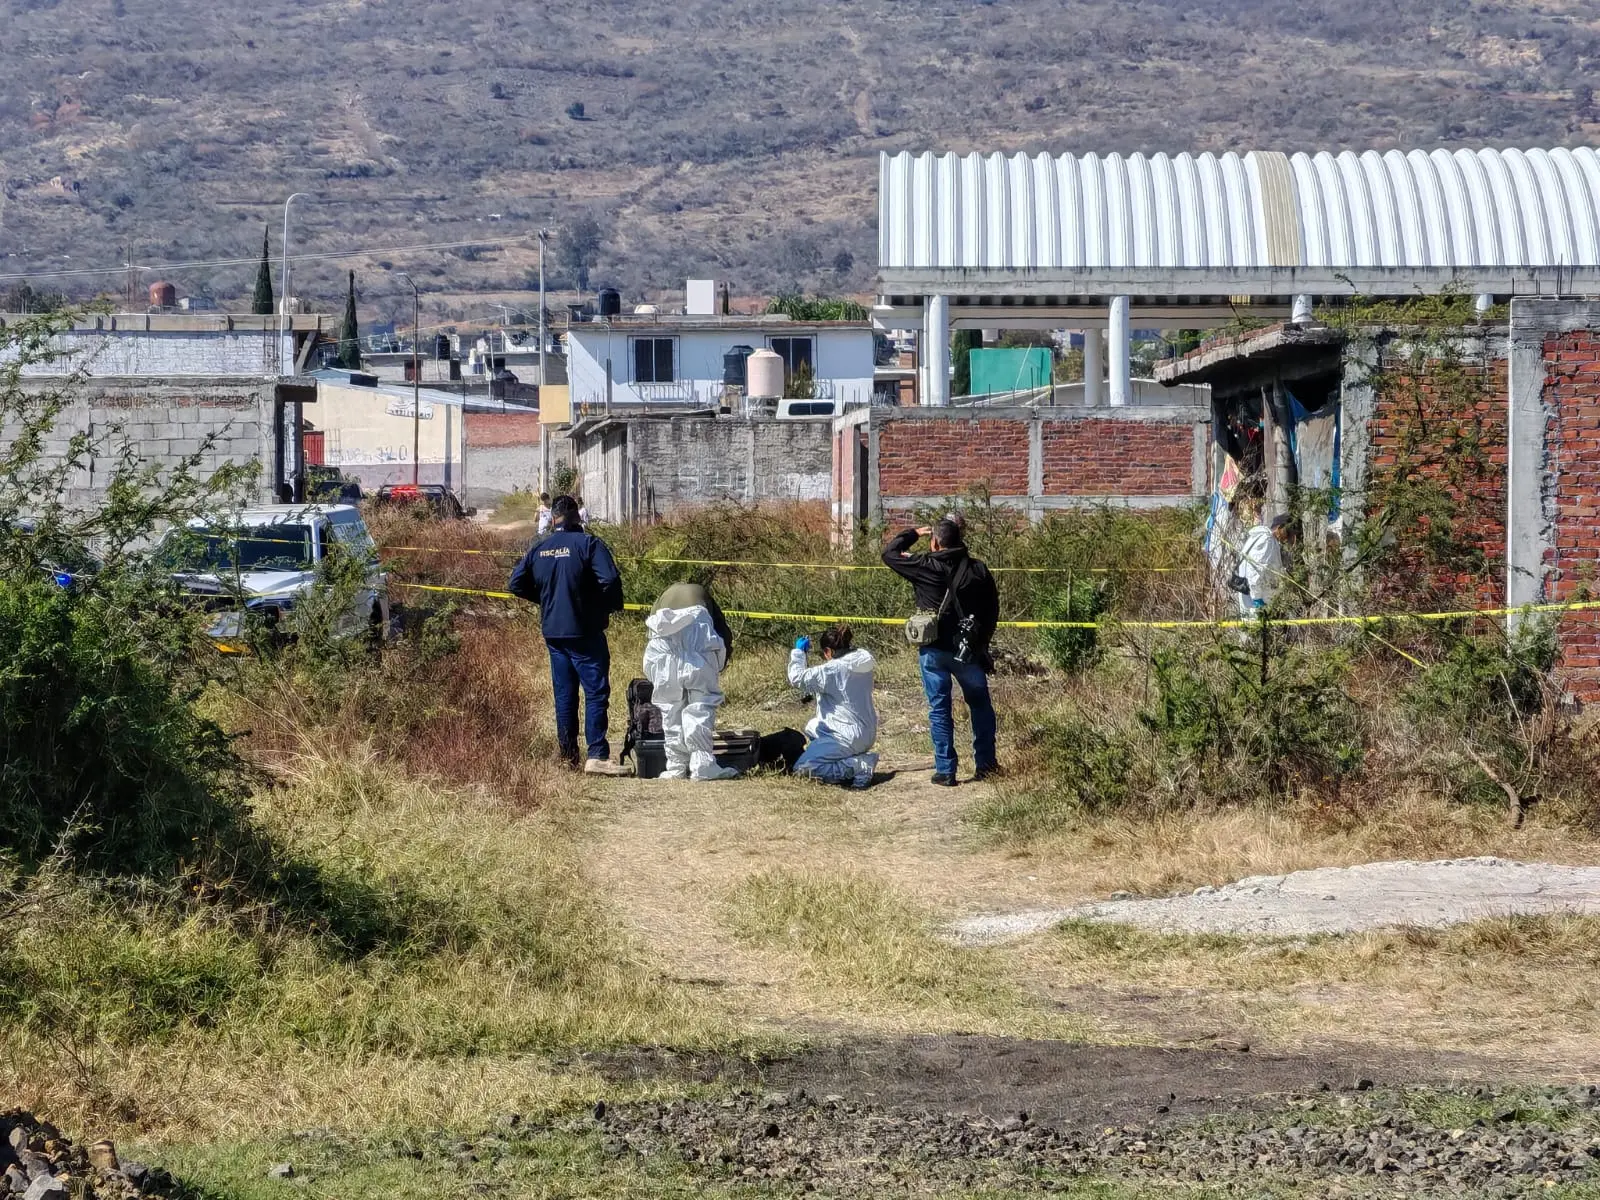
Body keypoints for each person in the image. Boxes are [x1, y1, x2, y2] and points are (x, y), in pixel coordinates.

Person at [508, 495, 627, 775]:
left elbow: (515, 583)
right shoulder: (589, 544)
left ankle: (568, 757)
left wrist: (547, 600)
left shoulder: (540, 547)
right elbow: (609, 579)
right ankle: (596, 754)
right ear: (576, 515)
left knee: (565, 694)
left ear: (553, 518)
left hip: (554, 632)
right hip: (584, 630)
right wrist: (603, 605)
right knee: (596, 691)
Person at [883, 519, 1000, 787]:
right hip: (967, 652)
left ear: (935, 542)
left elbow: (889, 554)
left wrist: (912, 534)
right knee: (980, 707)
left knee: (939, 709)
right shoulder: (978, 569)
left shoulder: (925, 565)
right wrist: (982, 645)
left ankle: (946, 770)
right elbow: (992, 611)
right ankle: (986, 765)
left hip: (933, 651)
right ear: (960, 540)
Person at [642, 581, 738, 780]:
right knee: (701, 703)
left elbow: (651, 634)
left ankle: (676, 766)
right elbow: (723, 631)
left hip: (663, 645)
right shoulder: (702, 594)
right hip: (697, 638)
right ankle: (702, 765)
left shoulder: (663, 595)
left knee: (670, 706)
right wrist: (719, 663)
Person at [788, 623, 878, 789]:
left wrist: (799, 653)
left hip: (846, 735)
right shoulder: (863, 658)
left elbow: (797, 678)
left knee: (803, 769)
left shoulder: (832, 670)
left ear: (828, 651)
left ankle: (857, 765)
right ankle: (844, 756)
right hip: (866, 729)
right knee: (812, 726)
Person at [1235, 511, 1291, 616]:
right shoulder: (1267, 541)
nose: (1287, 537)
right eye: (1287, 532)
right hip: (1258, 600)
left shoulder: (1261, 538)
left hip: (1257, 595)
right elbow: (1254, 571)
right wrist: (1257, 600)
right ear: (1279, 528)